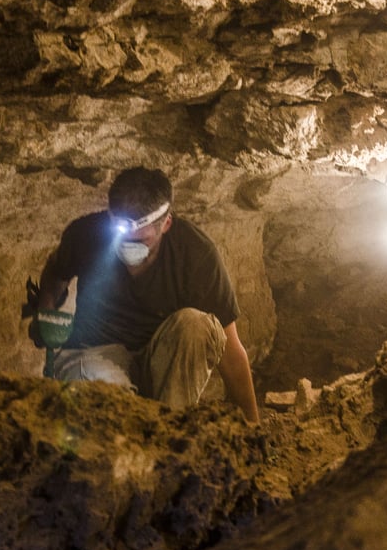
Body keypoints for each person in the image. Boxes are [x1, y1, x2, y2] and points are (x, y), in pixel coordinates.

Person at [31, 166, 259, 424]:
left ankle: (168, 428)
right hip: (94, 354)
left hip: (159, 364)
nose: (129, 247)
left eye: (141, 241)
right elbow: (56, 270)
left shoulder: (196, 253)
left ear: (166, 224)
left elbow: (230, 348)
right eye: (121, 237)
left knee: (197, 325)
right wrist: (46, 310)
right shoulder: (86, 234)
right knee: (103, 403)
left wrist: (253, 426)